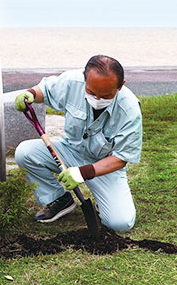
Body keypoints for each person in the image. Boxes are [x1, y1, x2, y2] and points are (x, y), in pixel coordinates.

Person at [14, 55, 142, 232]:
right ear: (84, 77)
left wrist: (83, 172)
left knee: (120, 223)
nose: (97, 99)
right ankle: (60, 199)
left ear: (120, 85)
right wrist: (30, 94)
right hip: (69, 151)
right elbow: (45, 90)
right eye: (91, 92)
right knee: (25, 152)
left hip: (103, 165)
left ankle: (104, 202)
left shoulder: (130, 109)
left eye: (106, 95)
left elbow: (122, 158)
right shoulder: (71, 81)